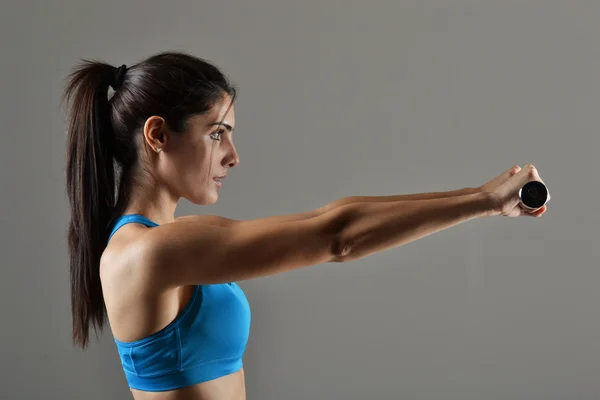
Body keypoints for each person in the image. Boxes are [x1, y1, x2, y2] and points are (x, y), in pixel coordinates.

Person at [63, 50, 548, 400]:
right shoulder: (152, 253)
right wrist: (481, 203)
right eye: (217, 134)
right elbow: (336, 235)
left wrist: (480, 198)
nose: (232, 156)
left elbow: (326, 219)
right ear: (158, 134)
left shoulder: (165, 246)